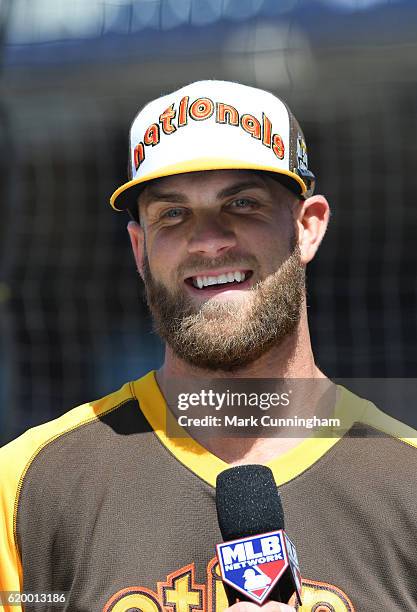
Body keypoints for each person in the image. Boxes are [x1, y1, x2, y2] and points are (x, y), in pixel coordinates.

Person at [1, 80, 417, 612]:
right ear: (139, 248)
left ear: (308, 228)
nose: (208, 240)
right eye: (172, 214)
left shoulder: (405, 485)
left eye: (242, 203)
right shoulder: (27, 488)